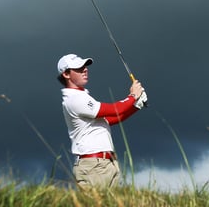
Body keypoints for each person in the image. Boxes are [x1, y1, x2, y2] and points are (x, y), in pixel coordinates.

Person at [57, 53, 147, 189]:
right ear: (66, 74)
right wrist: (133, 96)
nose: (85, 69)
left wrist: (136, 105)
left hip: (105, 163)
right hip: (93, 166)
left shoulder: (82, 97)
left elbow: (111, 119)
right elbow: (114, 109)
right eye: (79, 68)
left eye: (85, 66)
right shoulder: (74, 99)